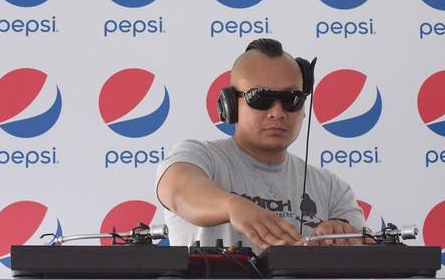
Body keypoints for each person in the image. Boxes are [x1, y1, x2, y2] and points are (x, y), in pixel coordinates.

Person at [155, 38, 366, 249]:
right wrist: (233, 206)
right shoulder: (198, 156)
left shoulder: (330, 188)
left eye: (291, 99)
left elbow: (364, 251)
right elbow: (180, 192)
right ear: (229, 105)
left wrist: (341, 235)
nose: (277, 113)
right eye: (260, 98)